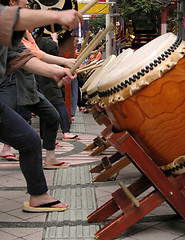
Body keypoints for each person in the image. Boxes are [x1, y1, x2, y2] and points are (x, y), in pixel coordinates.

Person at [0, 3, 83, 212]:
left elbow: (23, 57)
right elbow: (9, 17)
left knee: (29, 141)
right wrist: (58, 16)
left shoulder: (14, 29)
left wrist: (54, 70)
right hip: (13, 91)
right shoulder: (9, 17)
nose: (27, 2)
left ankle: (39, 195)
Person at [34, 27, 80, 141]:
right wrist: (55, 39)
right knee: (59, 103)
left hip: (36, 74)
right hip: (48, 76)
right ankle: (66, 131)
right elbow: (53, 51)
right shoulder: (46, 42)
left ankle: (45, 138)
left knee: (43, 106)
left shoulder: (33, 42)